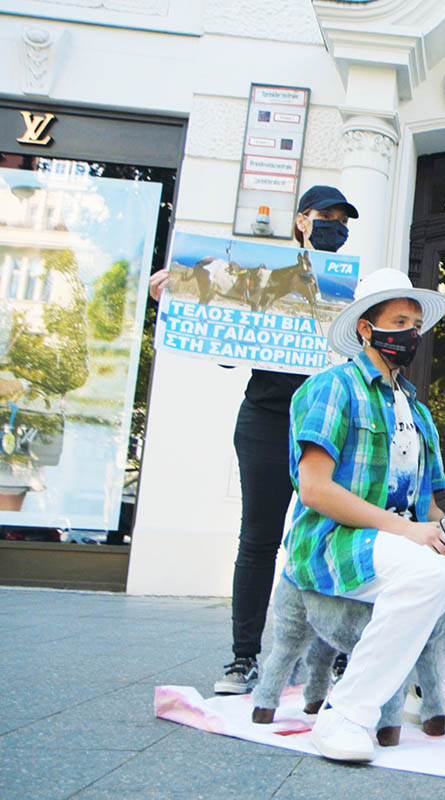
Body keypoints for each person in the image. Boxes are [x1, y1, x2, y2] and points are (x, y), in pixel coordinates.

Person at [289, 267, 445, 762]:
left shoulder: (418, 411)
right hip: (337, 541)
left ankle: (443, 693)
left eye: (415, 324)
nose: (411, 334)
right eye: (400, 320)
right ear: (366, 327)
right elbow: (315, 489)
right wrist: (409, 531)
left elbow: (426, 505)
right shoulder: (332, 388)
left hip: (403, 539)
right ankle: (346, 714)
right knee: (429, 576)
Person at [149, 185, 359, 694]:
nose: (336, 225)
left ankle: (336, 655)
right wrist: (173, 296)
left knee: (333, 540)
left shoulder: (354, 285)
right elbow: (223, 343)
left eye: (342, 219)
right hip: (266, 419)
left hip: (329, 425)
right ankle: (244, 659)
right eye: (325, 216)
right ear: (302, 220)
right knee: (259, 539)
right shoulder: (262, 274)